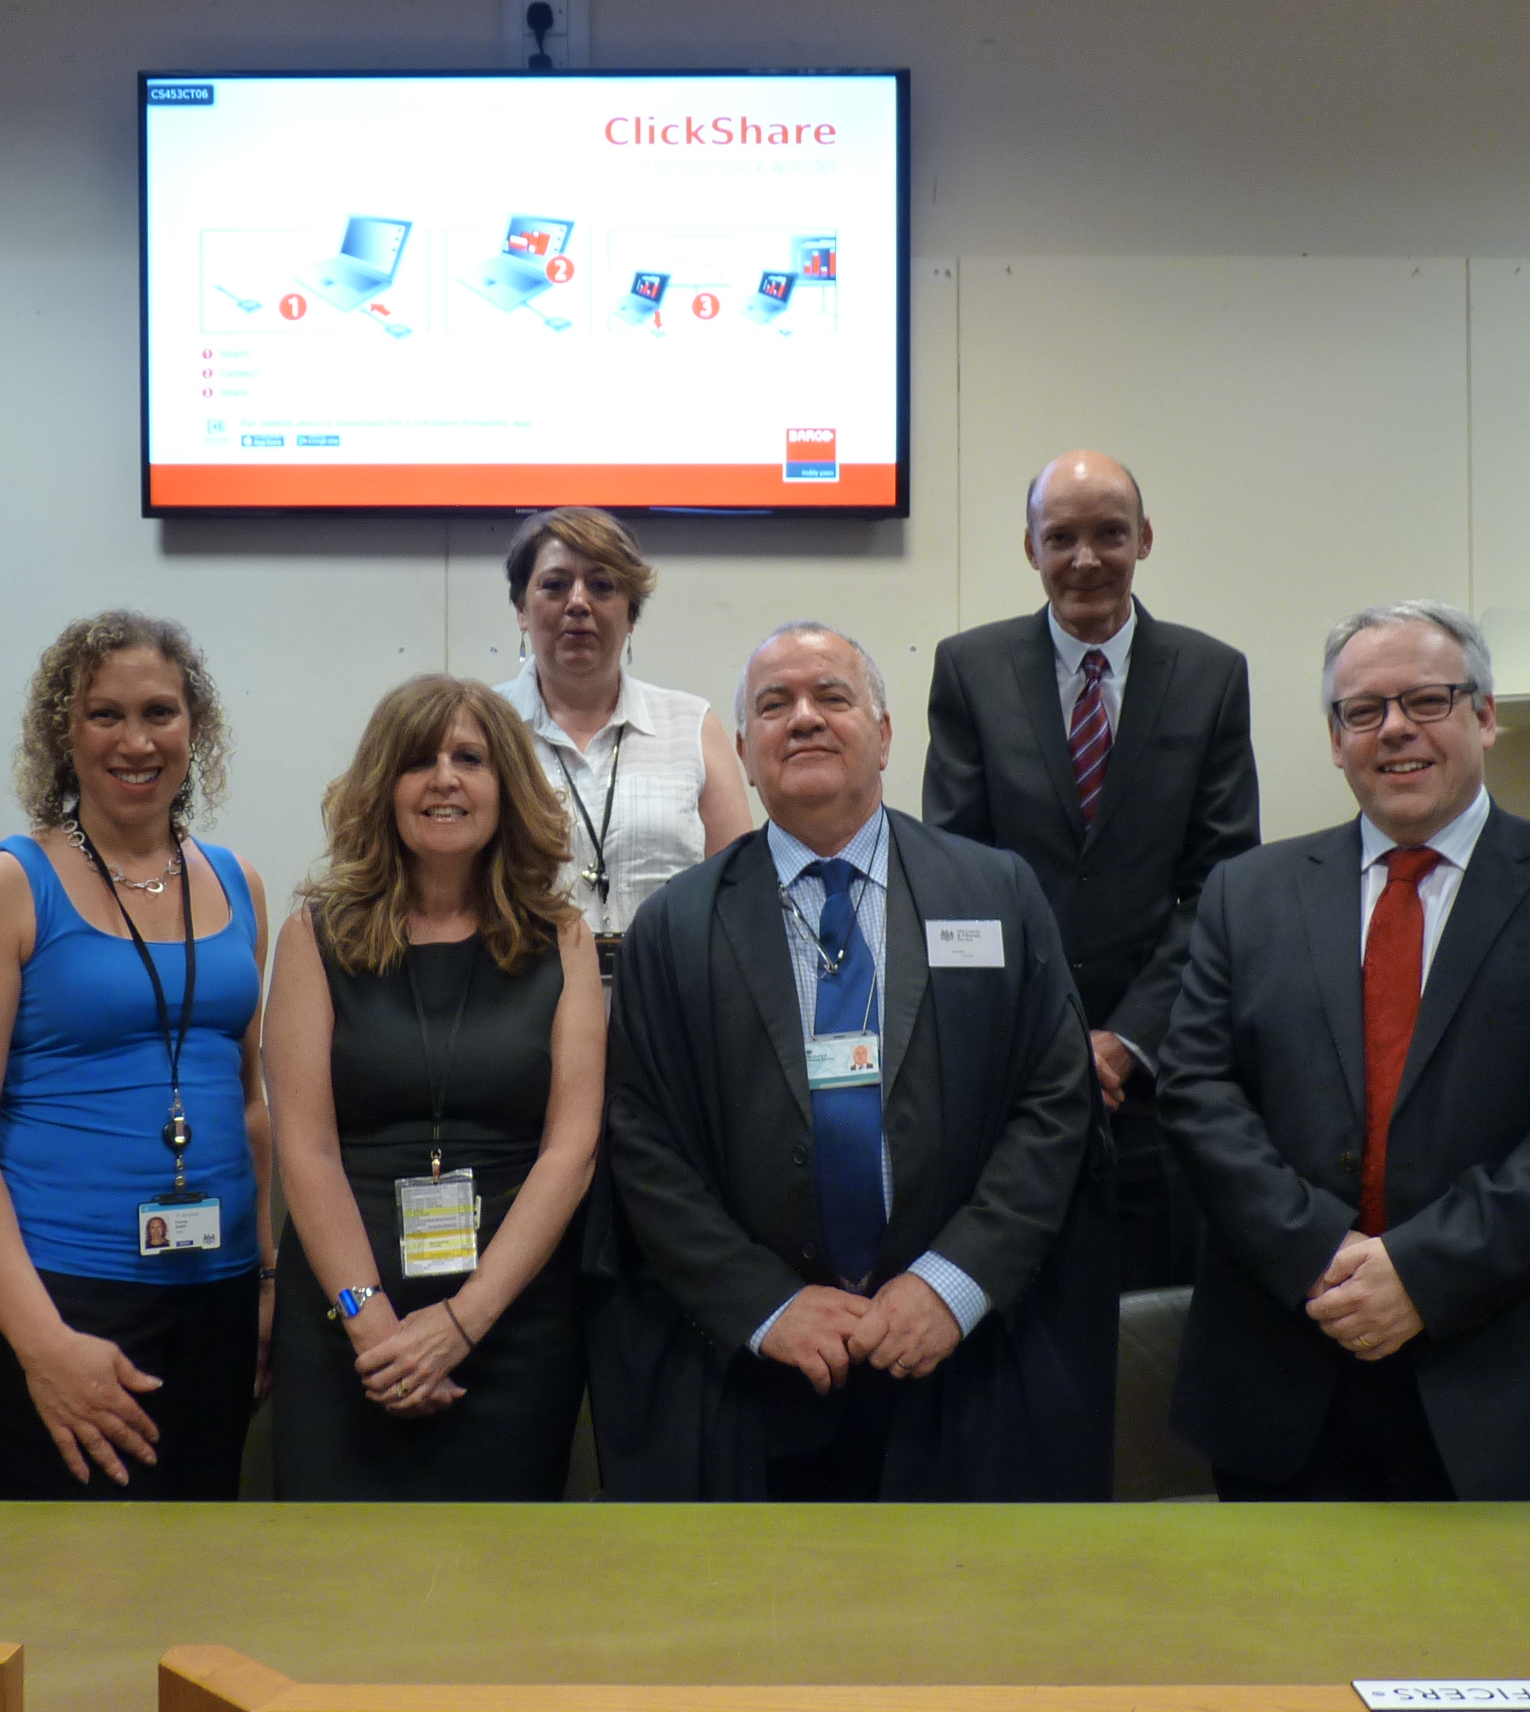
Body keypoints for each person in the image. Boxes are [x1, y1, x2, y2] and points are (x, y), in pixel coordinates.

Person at [1158, 600, 1530, 1501]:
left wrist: (1423, 1272)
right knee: (1286, 1636)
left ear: (1484, 715)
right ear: (1334, 738)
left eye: (1427, 701)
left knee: (1523, 1637)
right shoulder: (1247, 894)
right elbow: (1198, 1093)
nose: (1395, 730)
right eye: (1364, 710)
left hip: (1516, 1362)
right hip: (1291, 1356)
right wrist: (1323, 1254)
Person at [601, 621, 1113, 1500]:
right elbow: (644, 1145)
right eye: (774, 705)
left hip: (968, 1363)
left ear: (883, 735)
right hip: (756, 1382)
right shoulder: (674, 930)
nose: (803, 719)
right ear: (743, 753)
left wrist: (950, 1285)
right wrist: (766, 1305)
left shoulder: (995, 894)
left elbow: (1056, 1102)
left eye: (832, 697)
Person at [0, 610, 272, 1499]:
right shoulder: (0, 888)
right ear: (62, 736)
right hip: (66, 1299)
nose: (136, 741)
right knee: (74, 1590)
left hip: (219, 1291)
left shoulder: (239, 883)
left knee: (198, 1585)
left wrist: (266, 1281)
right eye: (104, 715)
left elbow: (252, 1102)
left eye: (160, 712)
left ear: (197, 729)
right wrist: (42, 1344)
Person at [924, 450, 1259, 1291]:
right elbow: (955, 873)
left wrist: (1123, 1043)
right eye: (1060, 537)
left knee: (1146, 1334)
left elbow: (1221, 883)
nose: (1085, 559)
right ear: (1029, 548)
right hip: (1013, 1066)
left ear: (1143, 539)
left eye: (1109, 534)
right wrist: (1054, 1044)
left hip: (1157, 1073)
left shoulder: (1212, 674)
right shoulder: (970, 668)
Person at [264, 675, 604, 1499]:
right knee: (336, 1598)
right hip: (349, 1327)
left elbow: (571, 1149)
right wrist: (372, 1320)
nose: (444, 779)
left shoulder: (561, 936)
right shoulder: (316, 932)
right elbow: (304, 1149)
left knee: (502, 1598)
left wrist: (463, 1321)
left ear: (506, 786)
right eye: (418, 760)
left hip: (511, 1326)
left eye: (469, 758)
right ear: (384, 785)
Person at [492, 506, 750, 947]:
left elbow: (742, 896)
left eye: (602, 586)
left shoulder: (692, 727)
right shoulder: (481, 729)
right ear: (521, 608)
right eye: (555, 585)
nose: (578, 602)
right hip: (520, 996)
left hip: (670, 1001)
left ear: (631, 615)